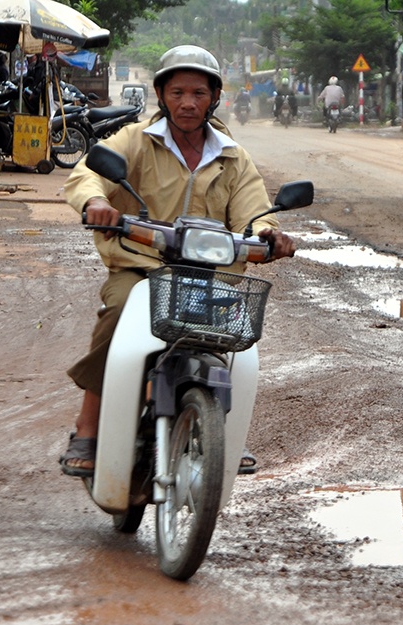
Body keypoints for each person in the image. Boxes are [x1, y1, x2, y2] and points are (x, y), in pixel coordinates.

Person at [59, 45, 297, 477]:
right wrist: (96, 201)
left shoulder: (232, 156)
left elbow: (253, 210)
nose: (188, 103)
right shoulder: (136, 140)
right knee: (116, 316)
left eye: (199, 93)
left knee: (235, 339)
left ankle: (225, 431)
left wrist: (269, 236)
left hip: (210, 274)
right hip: (141, 263)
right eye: (178, 92)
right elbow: (86, 173)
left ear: (215, 98)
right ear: (161, 95)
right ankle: (88, 426)